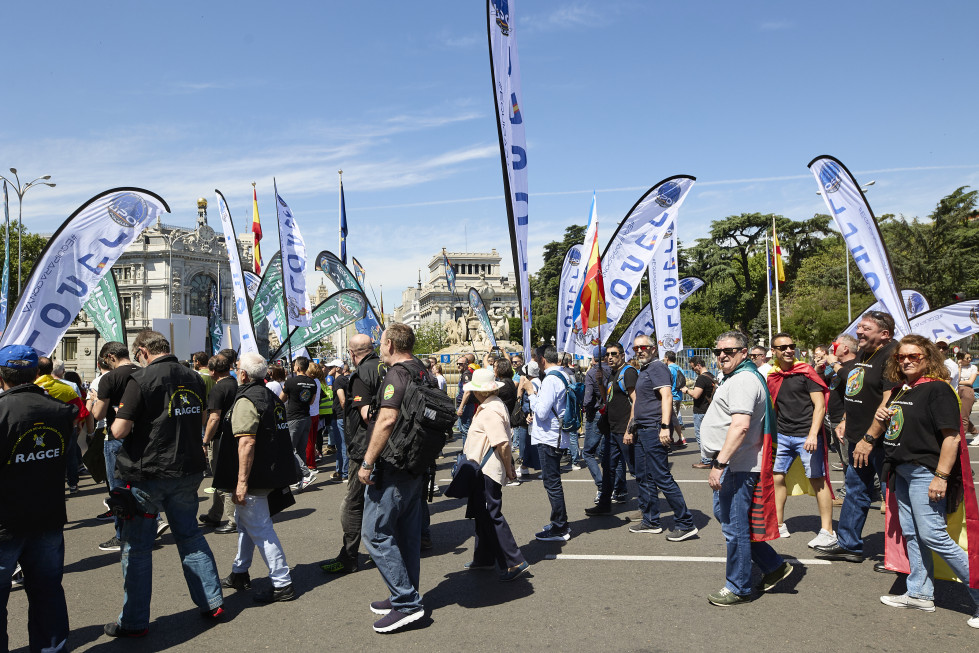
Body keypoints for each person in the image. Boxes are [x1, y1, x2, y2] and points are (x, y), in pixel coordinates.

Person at [104, 329, 223, 638]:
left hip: (149, 473)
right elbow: (199, 418)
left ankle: (133, 621)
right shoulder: (194, 377)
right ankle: (212, 602)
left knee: (138, 548)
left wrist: (118, 416)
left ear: (143, 351)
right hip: (187, 468)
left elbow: (118, 430)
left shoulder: (140, 380)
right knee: (190, 536)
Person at [876, 335, 979, 628]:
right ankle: (920, 592)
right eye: (901, 357)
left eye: (914, 356)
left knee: (934, 535)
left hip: (925, 472)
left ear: (928, 358)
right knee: (912, 533)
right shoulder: (903, 390)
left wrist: (941, 476)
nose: (906, 360)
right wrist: (884, 416)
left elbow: (952, 436)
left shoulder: (937, 389)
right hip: (903, 471)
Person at [701, 331, 791, 605]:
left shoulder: (742, 380)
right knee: (728, 519)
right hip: (735, 463)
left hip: (737, 465)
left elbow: (740, 427)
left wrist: (719, 463)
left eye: (729, 350)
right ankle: (773, 565)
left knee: (734, 526)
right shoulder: (739, 377)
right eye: (718, 351)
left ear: (743, 352)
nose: (722, 355)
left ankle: (738, 586)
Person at [0, 345, 77, 653]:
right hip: (47, 516)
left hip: (6, 521)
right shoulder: (60, 409)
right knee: (47, 592)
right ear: (35, 373)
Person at [358, 323, 429, 633]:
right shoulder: (421, 369)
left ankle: (407, 601)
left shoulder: (396, 373)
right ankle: (405, 591)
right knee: (406, 534)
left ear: (388, 344)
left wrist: (367, 462)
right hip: (417, 463)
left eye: (381, 342)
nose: (379, 346)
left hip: (394, 465)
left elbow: (386, 420)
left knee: (374, 533)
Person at [815, 311, 898, 566]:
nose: (858, 332)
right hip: (857, 437)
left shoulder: (892, 356)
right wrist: (844, 421)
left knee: (892, 497)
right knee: (856, 491)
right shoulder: (864, 352)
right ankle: (849, 544)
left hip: (881, 442)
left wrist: (869, 439)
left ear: (884, 334)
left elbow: (889, 402)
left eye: (866, 328)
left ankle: (898, 556)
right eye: (859, 327)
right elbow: (858, 391)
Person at [214, 352, 297, 603]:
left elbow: (247, 443)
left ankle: (282, 583)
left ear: (242, 374)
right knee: (246, 523)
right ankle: (240, 572)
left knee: (260, 528)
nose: (235, 371)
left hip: (255, 476)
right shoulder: (270, 395)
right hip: (269, 471)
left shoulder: (248, 399)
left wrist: (241, 483)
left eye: (237, 368)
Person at [321, 334, 384, 574]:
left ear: (351, 353)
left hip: (364, 446)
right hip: (389, 445)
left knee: (353, 502)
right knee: (383, 497)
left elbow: (368, 415)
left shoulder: (362, 373)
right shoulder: (387, 368)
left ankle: (349, 555)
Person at [766, 332, 836, 549]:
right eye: (783, 347)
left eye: (791, 346)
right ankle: (778, 524)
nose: (788, 350)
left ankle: (828, 531)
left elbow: (820, 405)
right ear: (774, 352)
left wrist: (813, 434)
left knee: (818, 480)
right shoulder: (773, 375)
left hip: (807, 436)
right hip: (783, 437)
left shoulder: (806, 372)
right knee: (777, 478)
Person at [625, 336, 698, 540]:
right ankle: (650, 521)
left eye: (644, 347)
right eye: (636, 348)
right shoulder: (645, 369)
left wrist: (665, 427)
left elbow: (666, 396)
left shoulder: (657, 367)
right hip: (642, 429)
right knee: (645, 476)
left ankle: (686, 523)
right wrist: (631, 426)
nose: (640, 351)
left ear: (654, 349)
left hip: (654, 428)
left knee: (661, 477)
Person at [461, 367, 529, 580]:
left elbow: (503, 443)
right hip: (483, 468)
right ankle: (484, 557)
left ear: (480, 392)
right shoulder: (492, 405)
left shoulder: (490, 410)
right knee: (482, 513)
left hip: (486, 470)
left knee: (491, 513)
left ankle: (514, 561)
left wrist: (509, 468)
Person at [527, 345, 573, 542]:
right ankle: (559, 522)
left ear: (542, 359)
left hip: (549, 437)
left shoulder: (551, 380)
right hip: (557, 435)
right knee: (553, 482)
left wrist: (530, 393)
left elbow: (543, 411)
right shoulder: (563, 375)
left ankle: (559, 526)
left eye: (537, 360)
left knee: (551, 482)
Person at [200, 352, 238, 534]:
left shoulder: (218, 388)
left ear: (213, 370)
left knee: (223, 479)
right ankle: (215, 514)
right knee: (220, 478)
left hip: (221, 437)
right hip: (234, 435)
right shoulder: (235, 383)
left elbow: (214, 418)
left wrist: (205, 440)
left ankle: (232, 520)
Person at [278, 356, 318, 491]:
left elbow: (281, 400)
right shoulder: (313, 383)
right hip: (306, 417)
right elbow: (311, 401)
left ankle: (306, 473)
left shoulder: (291, 382)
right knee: (300, 450)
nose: (293, 367)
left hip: (293, 417)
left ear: (298, 367)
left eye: (294, 365)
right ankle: (300, 479)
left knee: (289, 448)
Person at [825, 335, 859, 483]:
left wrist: (834, 364)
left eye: (835, 344)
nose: (832, 348)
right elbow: (823, 382)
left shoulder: (856, 365)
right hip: (834, 418)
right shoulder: (837, 366)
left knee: (850, 460)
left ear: (845, 348)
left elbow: (852, 380)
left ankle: (854, 491)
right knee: (844, 459)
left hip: (845, 419)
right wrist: (820, 368)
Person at [581, 346, 611, 490]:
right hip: (612, 412)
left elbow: (588, 397)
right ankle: (619, 487)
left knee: (588, 452)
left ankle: (601, 484)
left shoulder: (593, 373)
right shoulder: (613, 370)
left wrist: (584, 408)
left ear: (593, 358)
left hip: (597, 411)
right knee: (608, 451)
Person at [682, 355, 715, 469]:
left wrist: (686, 390)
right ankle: (711, 458)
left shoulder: (701, 378)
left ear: (698, 365)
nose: (693, 370)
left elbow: (696, 394)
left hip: (701, 410)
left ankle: (706, 460)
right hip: (709, 410)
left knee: (701, 436)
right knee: (709, 436)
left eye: (693, 368)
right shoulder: (711, 376)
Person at [329, 359, 349, 481]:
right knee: (343, 444)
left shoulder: (338, 381)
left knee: (342, 444)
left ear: (337, 368)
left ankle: (343, 472)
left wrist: (344, 413)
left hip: (340, 417)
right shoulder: (346, 379)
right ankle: (341, 470)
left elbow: (343, 401)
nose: (328, 369)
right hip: (342, 416)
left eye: (331, 367)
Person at [663, 351, 687, 447]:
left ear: (667, 358)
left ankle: (680, 438)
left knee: (671, 418)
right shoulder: (679, 367)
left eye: (664, 358)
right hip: (679, 395)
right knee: (674, 417)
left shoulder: (668, 369)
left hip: (672, 395)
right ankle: (675, 438)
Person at [304, 362, 323, 470]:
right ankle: (311, 462)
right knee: (312, 440)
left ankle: (310, 464)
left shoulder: (311, 382)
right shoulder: (317, 381)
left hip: (310, 413)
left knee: (309, 442)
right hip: (315, 413)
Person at [957, 351, 977, 435]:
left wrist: (958, 382)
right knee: (956, 415)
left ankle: (961, 440)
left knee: (964, 416)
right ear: (960, 359)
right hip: (956, 390)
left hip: (967, 391)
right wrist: (959, 367)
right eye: (967, 358)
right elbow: (956, 378)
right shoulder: (956, 367)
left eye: (970, 357)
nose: (969, 359)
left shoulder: (973, 367)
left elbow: (970, 382)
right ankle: (975, 432)